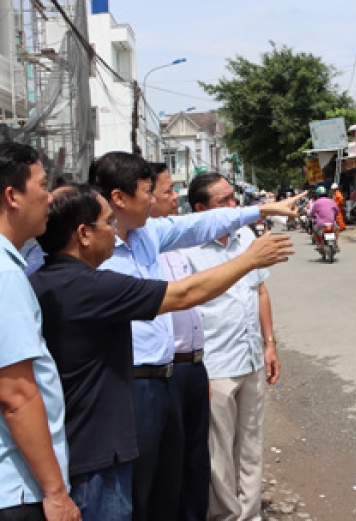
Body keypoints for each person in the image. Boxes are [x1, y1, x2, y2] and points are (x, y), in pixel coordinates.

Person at [29, 185, 293, 521]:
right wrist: (250, 259)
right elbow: (184, 294)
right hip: (95, 449)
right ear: (83, 233)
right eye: (108, 224)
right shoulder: (90, 286)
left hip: (86, 436)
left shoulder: (42, 278)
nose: (115, 233)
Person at [89, 152, 301, 521]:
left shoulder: (148, 234)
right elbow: (184, 295)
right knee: (140, 488)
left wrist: (261, 212)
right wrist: (249, 260)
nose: (155, 199)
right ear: (119, 198)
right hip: (131, 383)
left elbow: (203, 223)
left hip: (167, 376)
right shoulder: (96, 256)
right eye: (147, 191)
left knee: (177, 478)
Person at [0, 143, 79, 521]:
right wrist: (55, 492)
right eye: (42, 186)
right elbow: (16, 394)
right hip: (12, 487)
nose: (50, 198)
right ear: (12, 196)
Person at [182, 174, 282, 521]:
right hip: (215, 364)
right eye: (222, 201)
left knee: (251, 443)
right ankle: (226, 515)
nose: (232, 206)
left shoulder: (245, 237)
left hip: (250, 356)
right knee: (218, 452)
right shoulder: (186, 250)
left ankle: (249, 513)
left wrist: (269, 343)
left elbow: (260, 291)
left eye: (232, 199)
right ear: (200, 209)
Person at [150, 165, 209, 521]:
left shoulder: (176, 247)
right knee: (167, 469)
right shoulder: (131, 251)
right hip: (162, 372)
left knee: (196, 461)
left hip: (193, 366)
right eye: (168, 191)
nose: (176, 198)